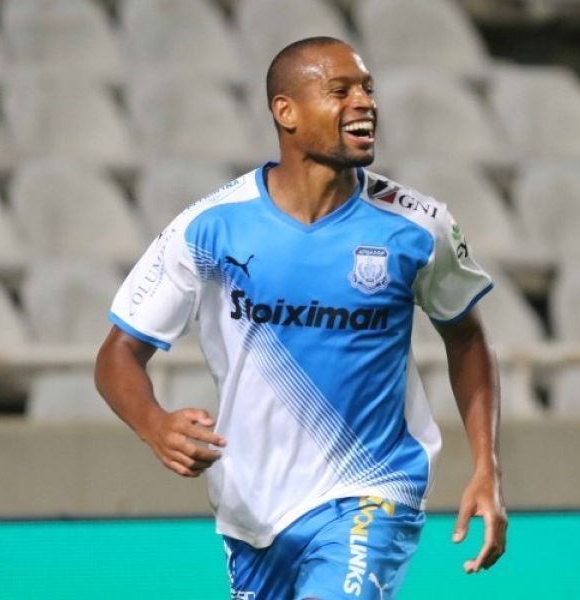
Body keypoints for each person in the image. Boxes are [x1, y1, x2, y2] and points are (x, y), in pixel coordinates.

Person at [95, 36, 507, 599]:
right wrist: (154, 424)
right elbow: (118, 354)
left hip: (374, 489)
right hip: (252, 510)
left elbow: (467, 340)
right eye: (340, 91)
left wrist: (487, 465)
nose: (364, 102)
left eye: (367, 89)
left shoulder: (418, 226)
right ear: (285, 111)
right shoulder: (209, 227)